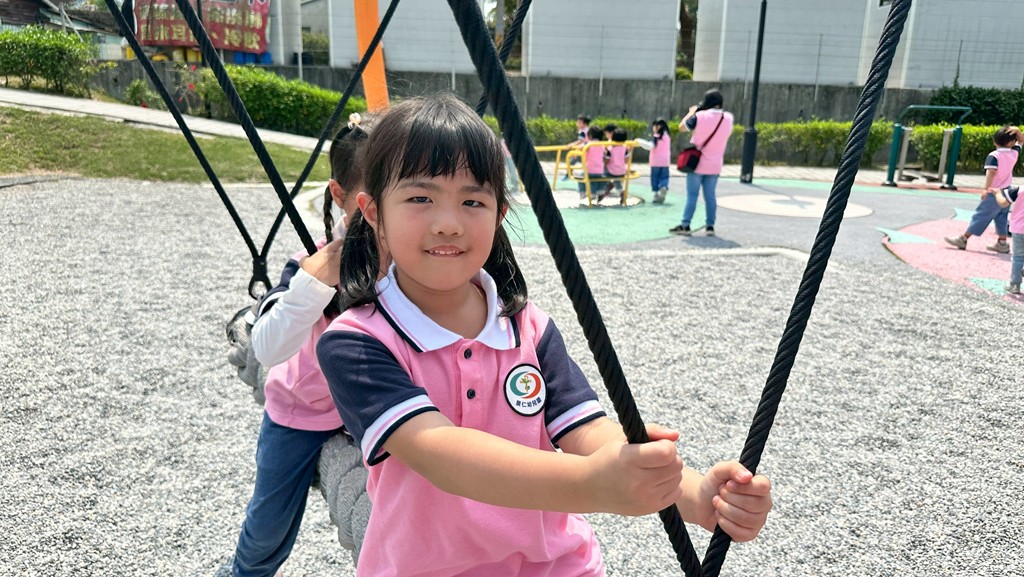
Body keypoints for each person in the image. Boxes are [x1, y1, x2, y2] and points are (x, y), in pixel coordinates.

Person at [316, 94, 773, 577]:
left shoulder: (527, 328)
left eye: (472, 201)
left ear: (499, 213)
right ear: (371, 211)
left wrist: (696, 495)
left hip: (556, 564)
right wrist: (592, 484)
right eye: (420, 198)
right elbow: (441, 453)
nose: (448, 224)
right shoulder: (357, 342)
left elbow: (587, 430)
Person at [216, 114, 374, 577]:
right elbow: (267, 346)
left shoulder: (408, 265)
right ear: (340, 195)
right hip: (301, 408)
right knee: (269, 528)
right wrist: (314, 284)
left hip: (366, 413)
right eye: (374, 200)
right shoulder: (311, 262)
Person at [943, 125, 1021, 253]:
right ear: (1012, 142)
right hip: (1006, 192)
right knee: (1001, 217)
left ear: (995, 142)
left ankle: (963, 238)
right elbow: (1021, 141)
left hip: (993, 191)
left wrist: (986, 189)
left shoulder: (994, 156)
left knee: (981, 215)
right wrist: (1017, 131)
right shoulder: (1014, 154)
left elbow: (991, 173)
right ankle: (1002, 243)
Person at [670, 89, 734, 236]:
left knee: (692, 196)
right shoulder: (728, 118)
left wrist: (691, 112)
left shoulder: (699, 116)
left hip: (697, 163)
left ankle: (685, 225)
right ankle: (710, 226)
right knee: (710, 196)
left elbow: (681, 128)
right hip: (715, 165)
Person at [993, 185, 1022, 293]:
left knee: (1018, 257)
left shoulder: (1019, 190)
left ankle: (1014, 284)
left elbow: (1003, 203)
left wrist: (997, 193)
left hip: (1019, 228)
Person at [579, 125, 607, 200]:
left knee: (581, 176)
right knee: (596, 179)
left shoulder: (588, 144)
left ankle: (583, 193)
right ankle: (599, 192)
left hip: (589, 170)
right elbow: (605, 154)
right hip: (600, 171)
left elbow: (580, 148)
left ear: (590, 136)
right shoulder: (602, 145)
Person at [602, 126, 630, 200]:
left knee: (602, 175)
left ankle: (604, 189)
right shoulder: (625, 149)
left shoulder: (610, 148)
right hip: (622, 171)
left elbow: (607, 161)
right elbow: (627, 160)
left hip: (611, 171)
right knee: (617, 179)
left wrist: (604, 161)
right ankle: (621, 192)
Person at [562, 113, 591, 180]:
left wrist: (571, 144)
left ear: (585, 124)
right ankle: (569, 174)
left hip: (584, 150)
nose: (577, 124)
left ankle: (568, 174)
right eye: (577, 122)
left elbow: (580, 141)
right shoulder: (587, 129)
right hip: (585, 150)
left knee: (572, 160)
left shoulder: (583, 131)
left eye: (579, 123)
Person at [649, 118, 672, 204]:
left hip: (655, 162)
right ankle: (664, 187)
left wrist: (639, 142)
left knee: (655, 178)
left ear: (657, 127)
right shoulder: (667, 137)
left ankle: (656, 194)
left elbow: (651, 146)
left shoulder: (656, 137)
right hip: (665, 161)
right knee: (664, 177)